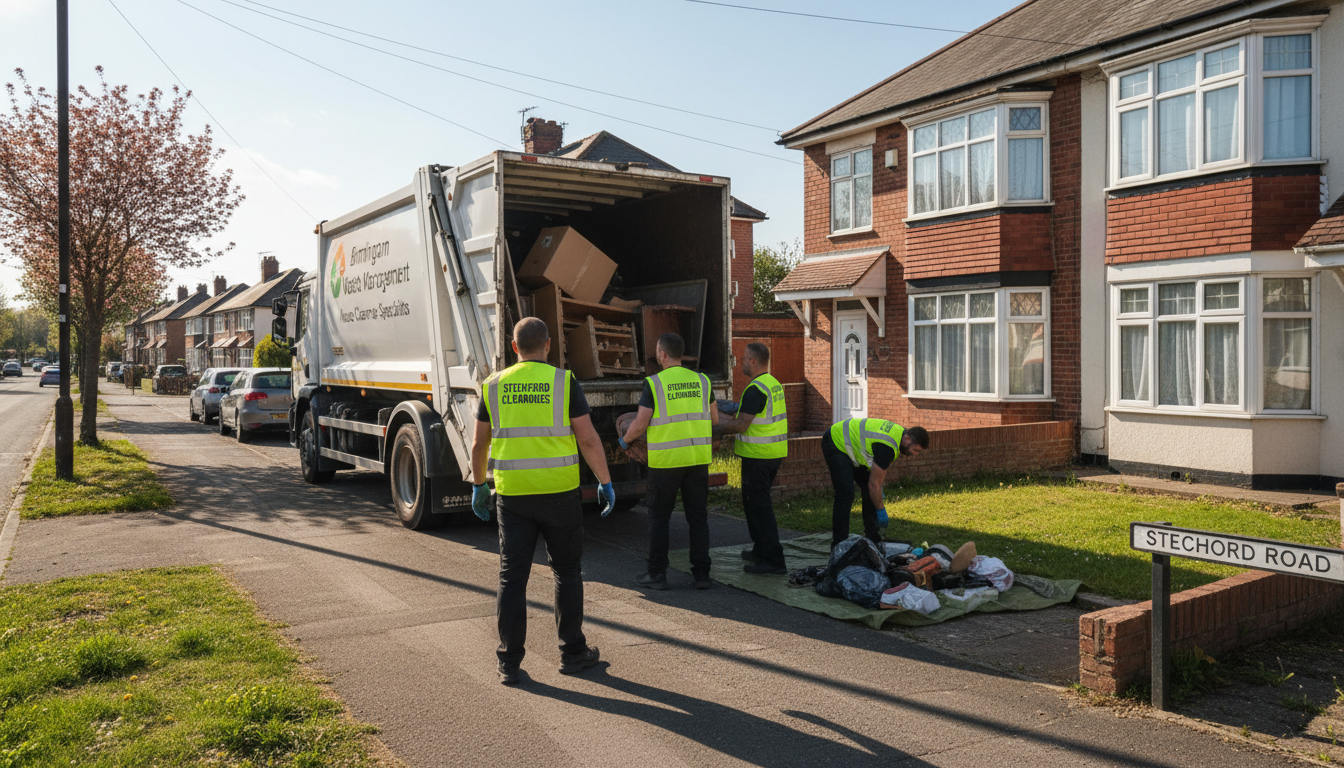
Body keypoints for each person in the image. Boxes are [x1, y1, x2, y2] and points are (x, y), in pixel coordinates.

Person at [470, 317, 616, 686]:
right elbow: (587, 439)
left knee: (512, 576)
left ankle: (509, 663)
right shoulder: (564, 382)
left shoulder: (493, 386)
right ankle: (572, 653)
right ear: (548, 345)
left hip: (513, 495)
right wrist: (605, 481)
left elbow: (479, 444)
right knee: (566, 572)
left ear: (514, 347)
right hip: (559, 493)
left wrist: (478, 485)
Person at [618, 333, 718, 591]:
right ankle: (702, 575)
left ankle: (657, 574)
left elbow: (640, 423)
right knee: (698, 518)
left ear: (662, 354)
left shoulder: (654, 384)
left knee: (659, 517)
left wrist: (624, 441)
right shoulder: (703, 381)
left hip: (665, 463)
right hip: (697, 459)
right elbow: (715, 420)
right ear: (680, 354)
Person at [716, 343, 789, 575]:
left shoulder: (755, 389)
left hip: (759, 456)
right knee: (753, 504)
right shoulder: (773, 383)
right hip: (770, 454)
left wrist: (713, 429)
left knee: (760, 508)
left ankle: (774, 560)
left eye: (745, 358)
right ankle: (760, 550)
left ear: (754, 361)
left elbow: (741, 424)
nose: (741, 362)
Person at [823, 418, 929, 550]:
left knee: (869, 491)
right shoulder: (888, 447)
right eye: (915, 450)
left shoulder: (898, 436)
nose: (914, 454)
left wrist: (876, 489)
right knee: (845, 494)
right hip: (835, 440)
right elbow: (874, 484)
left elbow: (873, 481)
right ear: (907, 438)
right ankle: (838, 545)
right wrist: (880, 510)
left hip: (851, 445)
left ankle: (872, 537)